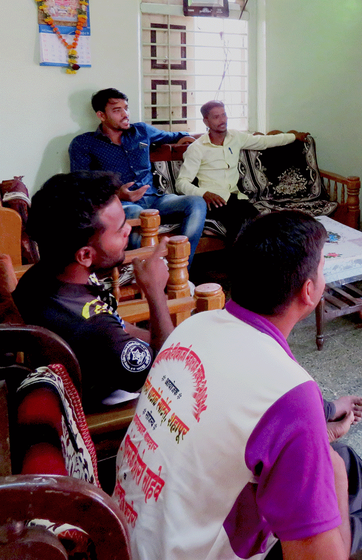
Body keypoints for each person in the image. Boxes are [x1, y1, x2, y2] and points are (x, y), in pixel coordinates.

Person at [114, 211, 362, 560]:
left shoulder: (193, 327)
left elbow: (241, 423)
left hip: (144, 533)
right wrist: (333, 473)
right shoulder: (289, 392)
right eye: (323, 268)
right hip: (194, 552)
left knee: (345, 458)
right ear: (309, 291)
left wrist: (324, 430)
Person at [12, 172, 174, 410]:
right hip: (112, 405)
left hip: (101, 370)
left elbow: (119, 326)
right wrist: (155, 292)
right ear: (85, 255)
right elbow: (169, 369)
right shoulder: (93, 326)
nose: (129, 230)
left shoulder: (42, 276)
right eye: (120, 230)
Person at [69, 88, 206, 267]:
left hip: (154, 200)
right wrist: (118, 195)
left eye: (126, 108)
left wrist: (191, 139)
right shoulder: (84, 143)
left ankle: (181, 270)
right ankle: (141, 276)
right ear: (101, 115)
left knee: (196, 202)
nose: (125, 114)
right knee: (135, 214)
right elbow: (80, 186)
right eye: (117, 110)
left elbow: (173, 136)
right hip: (119, 204)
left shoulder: (141, 131)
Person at [175, 100, 310, 243]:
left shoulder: (235, 137)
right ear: (206, 121)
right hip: (213, 201)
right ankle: (239, 263)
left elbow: (264, 141)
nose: (222, 120)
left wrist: (294, 136)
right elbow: (181, 183)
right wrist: (204, 194)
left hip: (235, 198)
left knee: (261, 223)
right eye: (216, 117)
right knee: (240, 226)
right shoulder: (197, 148)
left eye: (224, 115)